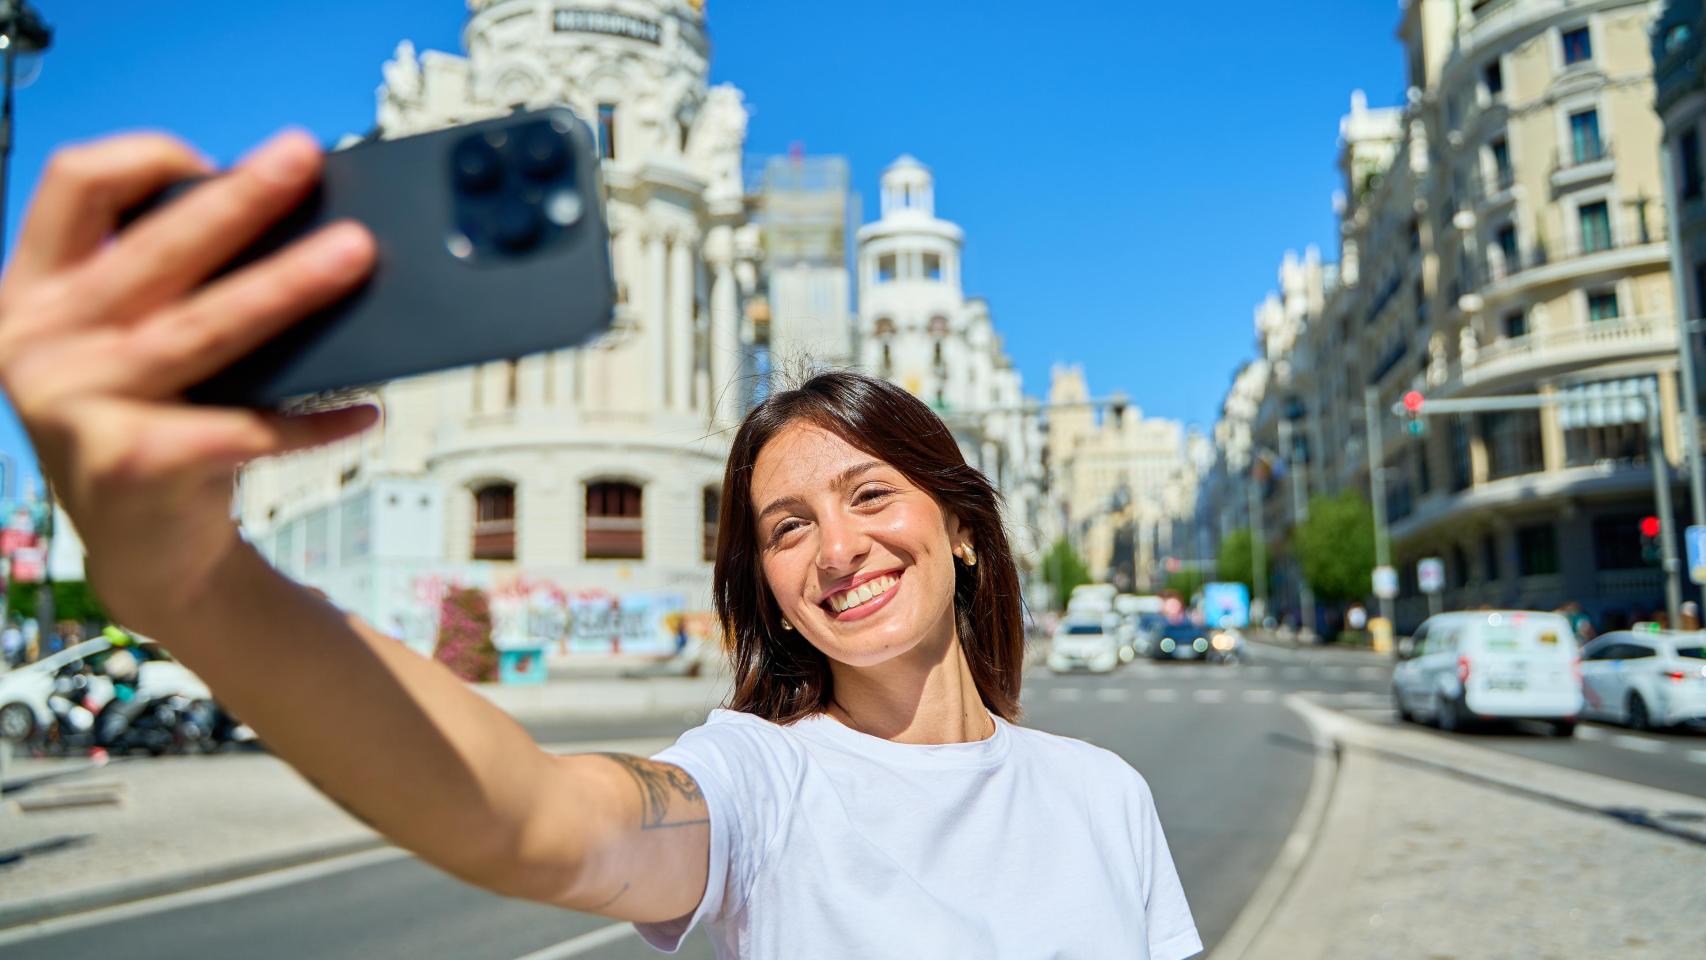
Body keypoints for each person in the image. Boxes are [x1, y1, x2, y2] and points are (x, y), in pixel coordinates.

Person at [0, 131, 1201, 959]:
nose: (836, 547)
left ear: (965, 533)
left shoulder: (1104, 796)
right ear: (771, 596)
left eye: (870, 495)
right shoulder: (760, 782)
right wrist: (198, 582)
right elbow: (536, 821)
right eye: (786, 528)